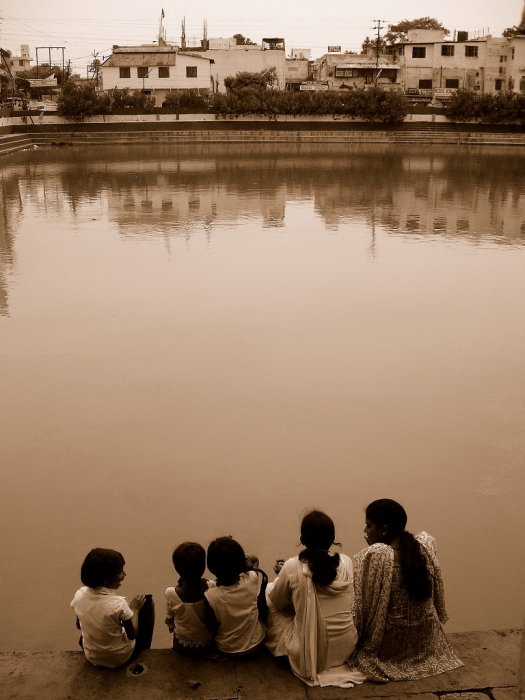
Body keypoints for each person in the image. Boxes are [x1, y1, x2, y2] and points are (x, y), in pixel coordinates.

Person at [351, 499, 463, 682]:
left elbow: (364, 608)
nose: (365, 531)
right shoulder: (422, 548)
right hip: (425, 645)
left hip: (392, 651)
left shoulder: (378, 555)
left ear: (384, 530)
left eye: (369, 526)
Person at [265, 510, 364, 688]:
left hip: (311, 654)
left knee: (271, 602)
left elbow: (278, 602)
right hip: (346, 648)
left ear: (303, 539)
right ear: (332, 538)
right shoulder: (347, 562)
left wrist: (282, 577)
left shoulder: (293, 565)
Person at [70, 548, 155, 668]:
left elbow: (79, 625)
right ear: (106, 578)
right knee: (146, 605)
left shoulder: (79, 595)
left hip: (92, 656)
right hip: (119, 658)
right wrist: (134, 608)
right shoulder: (118, 603)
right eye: (120, 572)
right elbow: (132, 634)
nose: (124, 575)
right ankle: (144, 652)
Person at [205, 536, 267, 656]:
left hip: (226, 649)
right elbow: (255, 562)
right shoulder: (251, 579)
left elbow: (210, 626)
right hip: (256, 643)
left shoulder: (211, 595)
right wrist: (250, 558)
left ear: (211, 567)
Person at [165, 542, 216, 654]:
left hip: (184, 644)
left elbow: (170, 616)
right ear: (203, 567)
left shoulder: (171, 593)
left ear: (177, 569)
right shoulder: (211, 586)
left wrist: (170, 623)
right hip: (208, 642)